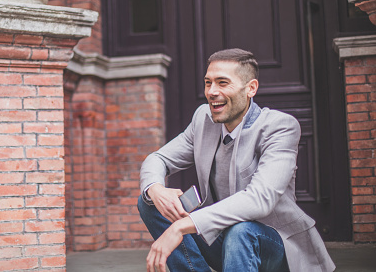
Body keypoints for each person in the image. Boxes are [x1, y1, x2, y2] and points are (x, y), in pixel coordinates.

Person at [138, 48, 335, 272]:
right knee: (149, 201)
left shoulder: (279, 127)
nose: (212, 92)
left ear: (251, 88)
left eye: (222, 83)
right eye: (208, 82)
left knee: (241, 231)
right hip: (221, 237)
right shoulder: (203, 120)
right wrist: (155, 189)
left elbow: (260, 199)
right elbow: (158, 158)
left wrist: (179, 227)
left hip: (274, 245)